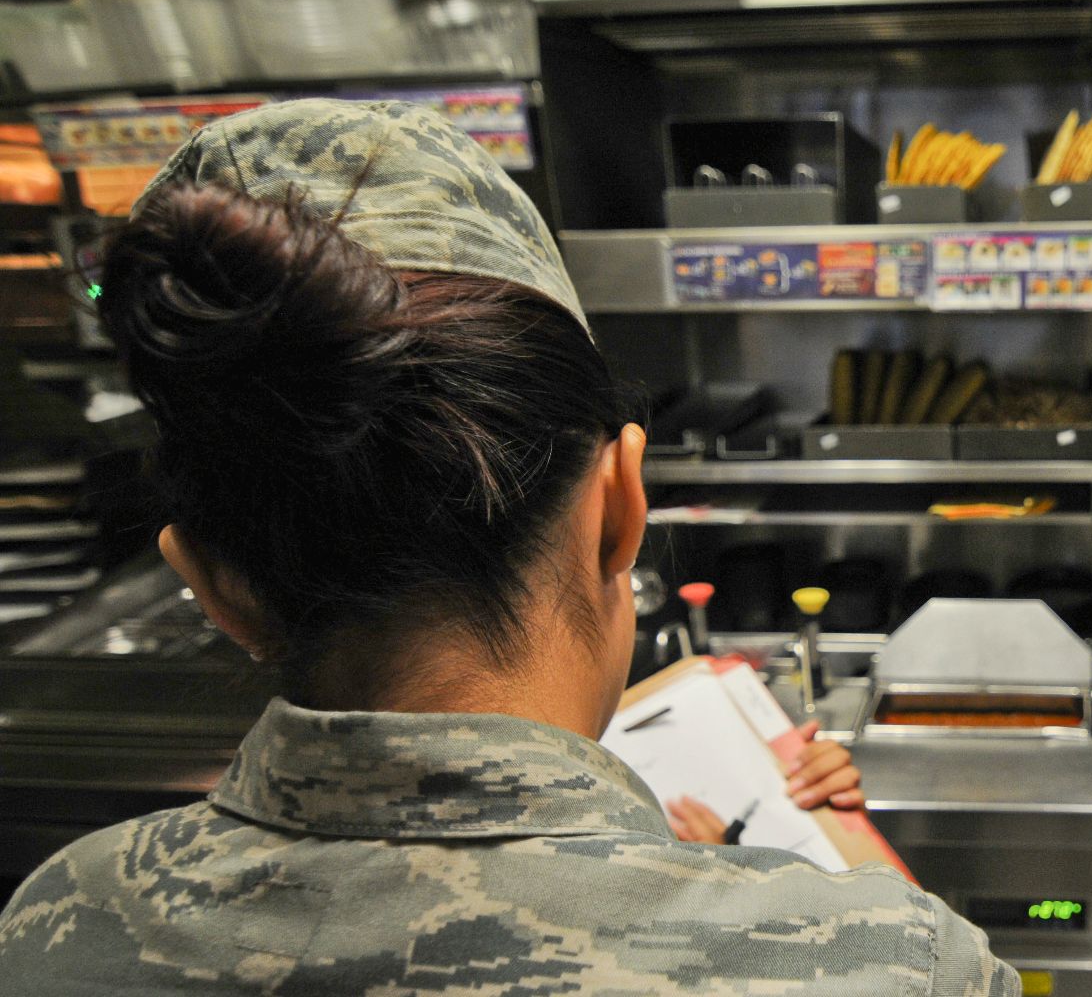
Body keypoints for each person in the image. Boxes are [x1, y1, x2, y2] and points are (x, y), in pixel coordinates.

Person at [0, 99, 1018, 995]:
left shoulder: (56, 927)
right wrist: (816, 891)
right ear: (621, 511)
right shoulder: (898, 966)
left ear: (216, 589)